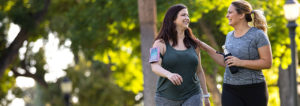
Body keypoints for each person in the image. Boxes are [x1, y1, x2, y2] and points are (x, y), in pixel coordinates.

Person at [198, 0, 272, 106]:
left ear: (241, 14)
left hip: (254, 90)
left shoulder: (258, 35)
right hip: (230, 89)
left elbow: (267, 63)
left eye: (230, 12)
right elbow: (226, 63)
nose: (227, 16)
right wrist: (203, 46)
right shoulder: (229, 36)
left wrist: (240, 62)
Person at [149, 4, 210, 106]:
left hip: (193, 95)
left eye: (188, 16)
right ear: (173, 19)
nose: (187, 18)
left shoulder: (194, 44)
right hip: (165, 98)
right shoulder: (158, 43)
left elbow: (199, 71)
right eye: (183, 15)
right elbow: (154, 66)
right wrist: (169, 74)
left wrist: (206, 95)